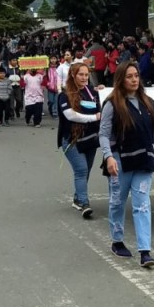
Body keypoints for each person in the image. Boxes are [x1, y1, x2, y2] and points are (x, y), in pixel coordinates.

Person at [99, 62, 154, 268]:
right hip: (120, 160)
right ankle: (117, 240)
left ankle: (145, 251)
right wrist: (108, 157)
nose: (134, 79)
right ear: (121, 79)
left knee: (142, 205)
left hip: (144, 159)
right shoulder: (112, 104)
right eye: (129, 76)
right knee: (117, 202)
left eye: (136, 75)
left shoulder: (149, 102)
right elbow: (104, 134)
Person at [58, 62, 102, 218]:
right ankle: (84, 203)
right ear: (73, 75)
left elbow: (103, 106)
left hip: (90, 139)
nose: (84, 78)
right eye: (80, 74)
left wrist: (104, 93)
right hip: (71, 140)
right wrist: (95, 117)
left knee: (86, 170)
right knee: (81, 169)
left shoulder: (93, 92)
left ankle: (77, 198)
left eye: (86, 74)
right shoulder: (64, 95)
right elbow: (71, 115)